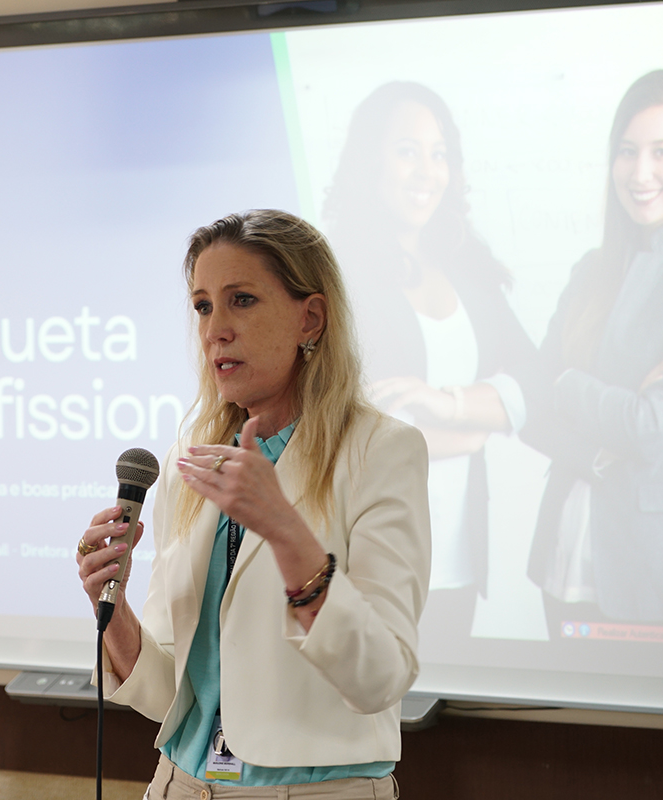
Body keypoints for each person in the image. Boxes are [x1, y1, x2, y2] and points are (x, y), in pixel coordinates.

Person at [75, 210, 430, 798]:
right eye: (202, 305)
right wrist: (110, 609)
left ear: (310, 318)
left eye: (241, 300)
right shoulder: (192, 459)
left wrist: (286, 533)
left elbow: (379, 677)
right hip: (179, 784)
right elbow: (170, 693)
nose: (215, 328)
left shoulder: (381, 452)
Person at [323, 82, 535, 645]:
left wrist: (450, 404)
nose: (427, 169)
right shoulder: (338, 272)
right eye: (406, 150)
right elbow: (344, 431)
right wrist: (468, 436)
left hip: (458, 554)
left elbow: (532, 379)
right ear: (371, 162)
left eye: (439, 153)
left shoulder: (467, 267)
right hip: (373, 552)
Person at [522, 70, 663, 635]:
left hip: (649, 565)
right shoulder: (590, 271)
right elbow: (529, 404)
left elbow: (649, 424)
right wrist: (598, 447)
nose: (640, 172)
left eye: (662, 152)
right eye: (627, 151)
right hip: (564, 554)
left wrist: (568, 385)